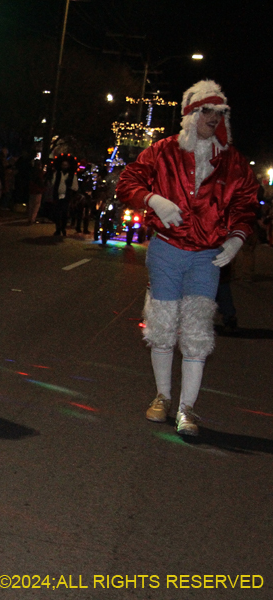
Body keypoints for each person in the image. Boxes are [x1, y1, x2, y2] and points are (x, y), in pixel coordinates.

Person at [117, 80, 259, 436]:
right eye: (206, 111)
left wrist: (237, 239)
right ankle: (163, 397)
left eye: (219, 113)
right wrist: (152, 200)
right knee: (162, 325)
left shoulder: (233, 162)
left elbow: (246, 204)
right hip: (166, 250)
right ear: (192, 114)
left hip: (207, 257)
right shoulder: (163, 151)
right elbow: (128, 183)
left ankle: (187, 409)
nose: (213, 118)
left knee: (196, 330)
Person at [49, 155, 78, 236]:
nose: (64, 167)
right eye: (63, 165)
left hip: (66, 197)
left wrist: (69, 186)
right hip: (57, 196)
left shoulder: (72, 175)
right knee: (57, 213)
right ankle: (58, 229)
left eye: (66, 165)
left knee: (65, 214)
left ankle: (63, 228)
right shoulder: (57, 174)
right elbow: (53, 184)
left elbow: (75, 187)